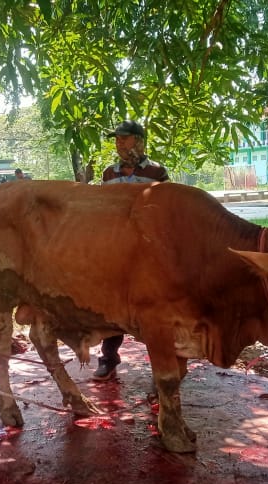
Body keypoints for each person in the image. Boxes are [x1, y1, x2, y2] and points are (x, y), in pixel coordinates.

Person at [93, 120, 170, 381]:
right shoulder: (109, 174)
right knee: (114, 304)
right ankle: (109, 357)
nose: (120, 144)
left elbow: (166, 209)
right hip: (116, 249)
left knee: (151, 305)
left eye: (124, 139)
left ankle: (160, 364)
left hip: (147, 251)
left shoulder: (157, 172)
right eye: (117, 140)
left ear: (139, 141)